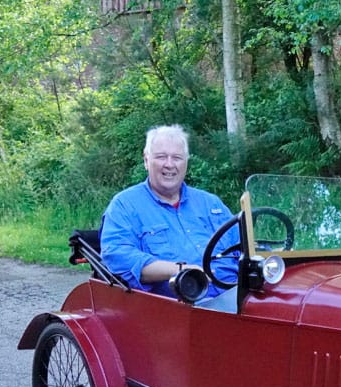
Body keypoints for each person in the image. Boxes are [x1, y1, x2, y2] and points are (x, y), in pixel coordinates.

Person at [100, 125, 241, 298]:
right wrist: (180, 270)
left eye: (177, 157)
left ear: (186, 162)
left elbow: (244, 247)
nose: (169, 164)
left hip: (238, 296)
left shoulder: (211, 203)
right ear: (146, 160)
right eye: (161, 157)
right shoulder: (125, 205)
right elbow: (118, 256)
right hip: (181, 306)